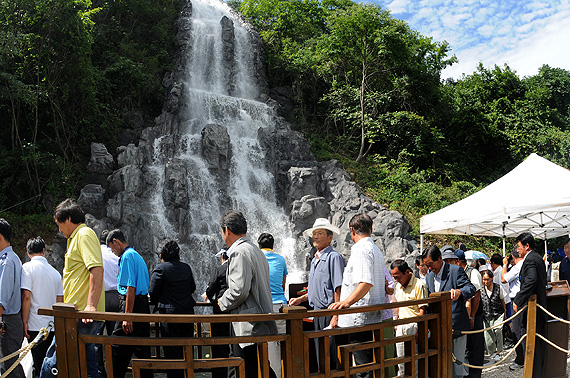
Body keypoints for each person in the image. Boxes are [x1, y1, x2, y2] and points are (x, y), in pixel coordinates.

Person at [43, 199, 105, 378]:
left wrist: (91, 306)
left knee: (54, 362)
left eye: (59, 224)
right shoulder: (75, 238)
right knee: (86, 362)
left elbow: (96, 268)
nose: (59, 230)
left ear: (68, 219)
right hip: (75, 313)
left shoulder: (84, 234)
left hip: (81, 315)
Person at [217, 210, 277, 378]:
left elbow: (239, 291)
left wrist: (222, 301)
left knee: (243, 368)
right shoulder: (255, 250)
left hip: (248, 324)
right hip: (259, 320)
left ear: (227, 230)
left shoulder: (239, 252)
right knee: (260, 367)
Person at [329, 213, 385, 378]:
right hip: (372, 315)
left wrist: (346, 302)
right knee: (366, 364)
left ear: (352, 230)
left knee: (362, 367)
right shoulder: (375, 249)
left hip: (359, 317)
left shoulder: (361, 249)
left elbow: (365, 282)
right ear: (371, 229)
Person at [288, 218, 345, 370]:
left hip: (329, 312)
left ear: (330, 237)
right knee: (320, 354)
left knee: (330, 355)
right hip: (316, 313)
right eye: (314, 233)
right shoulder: (314, 260)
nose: (315, 236)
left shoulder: (334, 258)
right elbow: (315, 289)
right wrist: (300, 299)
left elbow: (338, 288)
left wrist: (336, 316)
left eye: (320, 233)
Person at [422, 245, 475, 378]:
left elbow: (471, 289)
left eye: (430, 264)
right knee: (440, 365)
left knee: (457, 367)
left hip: (456, 326)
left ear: (440, 258)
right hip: (437, 329)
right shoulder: (429, 277)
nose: (429, 268)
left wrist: (460, 291)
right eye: (426, 265)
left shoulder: (455, 270)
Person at [106, 229, 153, 378]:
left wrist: (127, 316)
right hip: (142, 305)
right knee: (141, 348)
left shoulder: (127, 256)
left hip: (131, 305)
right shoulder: (136, 255)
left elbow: (130, 288)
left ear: (116, 241)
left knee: (117, 345)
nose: (112, 252)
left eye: (111, 247)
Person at [149, 238, 196, 378]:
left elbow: (152, 292)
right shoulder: (186, 267)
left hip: (169, 316)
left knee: (171, 352)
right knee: (186, 350)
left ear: (162, 254)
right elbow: (192, 288)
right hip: (187, 314)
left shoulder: (160, 269)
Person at [21, 236, 64, 378]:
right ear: (44, 251)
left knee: (37, 364)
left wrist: (24, 321)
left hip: (34, 325)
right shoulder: (55, 273)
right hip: (52, 326)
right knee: (49, 365)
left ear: (28, 253)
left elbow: (27, 297)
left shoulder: (27, 269)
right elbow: (60, 302)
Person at [512, 232, 547, 375]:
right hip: (537, 308)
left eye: (519, 246)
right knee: (536, 346)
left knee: (532, 345)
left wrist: (518, 299)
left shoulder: (531, 259)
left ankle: (533, 374)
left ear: (527, 246)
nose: (517, 250)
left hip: (533, 309)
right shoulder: (537, 257)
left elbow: (531, 280)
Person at [390, 259, 428, 377]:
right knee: (401, 360)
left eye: (398, 276)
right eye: (394, 277)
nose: (396, 280)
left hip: (414, 325)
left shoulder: (419, 284)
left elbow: (423, 309)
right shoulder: (398, 286)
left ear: (407, 272)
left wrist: (419, 329)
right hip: (401, 325)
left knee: (414, 360)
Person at [258, 233, 287, 378]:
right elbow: (283, 284)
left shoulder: (256, 259)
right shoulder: (281, 259)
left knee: (266, 344)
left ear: (258, 246)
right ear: (273, 246)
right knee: (280, 342)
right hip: (281, 306)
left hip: (263, 307)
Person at [0, 218, 25, 378]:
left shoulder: (6, 262)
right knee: (10, 366)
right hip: (10, 321)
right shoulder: (12, 258)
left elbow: (2, 299)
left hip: (7, 322)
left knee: (8, 368)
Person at [455, 249, 484, 378]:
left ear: (457, 261)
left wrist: (472, 315)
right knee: (465, 347)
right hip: (463, 315)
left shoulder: (473, 272)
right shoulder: (456, 273)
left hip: (474, 314)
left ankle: (475, 374)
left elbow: (476, 295)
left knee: (475, 345)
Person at [97, 229, 119, 378]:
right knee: (114, 336)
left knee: (97, 335)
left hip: (101, 297)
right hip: (117, 297)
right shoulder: (117, 254)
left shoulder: (96, 253)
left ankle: (99, 371)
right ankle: (114, 370)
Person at [205, 248, 230, 378]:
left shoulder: (219, 270)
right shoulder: (237, 268)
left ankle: (219, 374)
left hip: (220, 312)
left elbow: (210, 288)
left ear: (222, 256)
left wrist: (209, 297)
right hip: (237, 312)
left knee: (219, 345)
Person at [501, 247, 524, 369]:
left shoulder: (517, 267)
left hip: (517, 299)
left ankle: (521, 359)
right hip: (522, 298)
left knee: (516, 330)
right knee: (522, 329)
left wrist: (504, 266)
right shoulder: (525, 264)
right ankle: (523, 357)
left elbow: (503, 279)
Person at [480, 270, 506, 361]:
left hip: (498, 313)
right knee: (488, 335)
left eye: (487, 279)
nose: (485, 282)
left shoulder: (498, 288)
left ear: (492, 278)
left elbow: (502, 300)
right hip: (486, 315)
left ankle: (499, 351)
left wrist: (505, 312)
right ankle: (492, 352)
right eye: (484, 280)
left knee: (498, 330)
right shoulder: (481, 290)